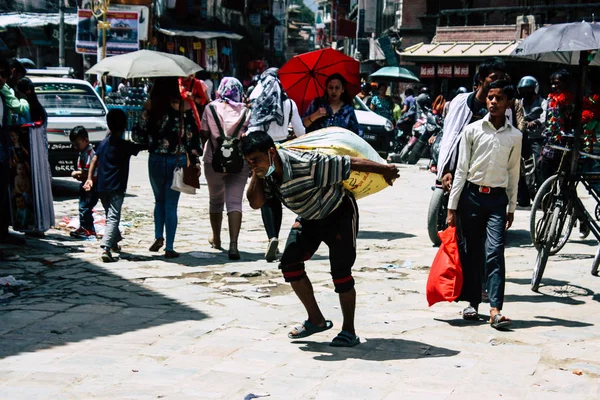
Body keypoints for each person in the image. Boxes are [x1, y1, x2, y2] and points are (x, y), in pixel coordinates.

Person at [242, 131, 399, 346]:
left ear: (271, 152)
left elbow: (350, 163)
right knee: (289, 264)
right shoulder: (264, 174)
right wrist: (255, 173)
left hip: (339, 214)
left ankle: (349, 331)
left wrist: (386, 170)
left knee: (341, 273)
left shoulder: (307, 164)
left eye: (255, 160)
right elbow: (255, 202)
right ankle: (315, 320)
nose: (253, 165)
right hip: (309, 217)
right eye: (248, 162)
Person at [446, 80, 522, 330]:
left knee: (495, 252)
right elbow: (461, 169)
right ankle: (472, 303)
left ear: (508, 103)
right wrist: (452, 206)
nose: (493, 102)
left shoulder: (515, 136)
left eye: (499, 98)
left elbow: (513, 173)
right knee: (472, 252)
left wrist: (511, 206)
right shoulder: (472, 130)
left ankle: (495, 309)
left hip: (497, 200)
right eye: (490, 97)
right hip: (472, 197)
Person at [132, 77, 202, 259]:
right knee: (172, 204)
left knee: (159, 201)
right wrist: (195, 161)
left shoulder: (150, 106)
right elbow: (192, 138)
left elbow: (138, 136)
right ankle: (169, 246)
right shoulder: (183, 108)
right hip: (176, 160)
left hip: (155, 159)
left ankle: (158, 236)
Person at [248, 68, 306, 262]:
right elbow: (300, 132)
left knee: (267, 198)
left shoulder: (259, 103)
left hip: (263, 153)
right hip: (282, 154)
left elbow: (252, 130)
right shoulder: (289, 104)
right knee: (280, 195)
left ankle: (272, 236)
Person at [437, 57, 507, 192]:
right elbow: (450, 137)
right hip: (457, 165)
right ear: (481, 78)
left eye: (502, 78)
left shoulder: (503, 108)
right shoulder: (460, 102)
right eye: (494, 77)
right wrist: (446, 169)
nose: (498, 82)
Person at [200, 77, 249, 260]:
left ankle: (217, 238)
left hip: (213, 161)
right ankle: (234, 245)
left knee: (216, 200)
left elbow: (204, 134)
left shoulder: (210, 108)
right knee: (235, 202)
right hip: (239, 162)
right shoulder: (246, 111)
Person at [84, 109, 141, 263]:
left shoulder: (103, 143)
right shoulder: (125, 145)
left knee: (110, 214)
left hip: (102, 187)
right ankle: (106, 247)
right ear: (124, 127)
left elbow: (94, 160)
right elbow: (142, 146)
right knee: (113, 217)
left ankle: (114, 243)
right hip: (117, 187)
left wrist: (90, 178)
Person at [69, 126, 98, 239]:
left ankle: (89, 229)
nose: (76, 147)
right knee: (82, 206)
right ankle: (83, 226)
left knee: (85, 207)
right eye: (74, 144)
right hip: (84, 184)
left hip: (91, 185)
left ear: (86, 140)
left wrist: (76, 173)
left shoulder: (90, 153)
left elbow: (88, 171)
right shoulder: (83, 152)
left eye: (77, 143)